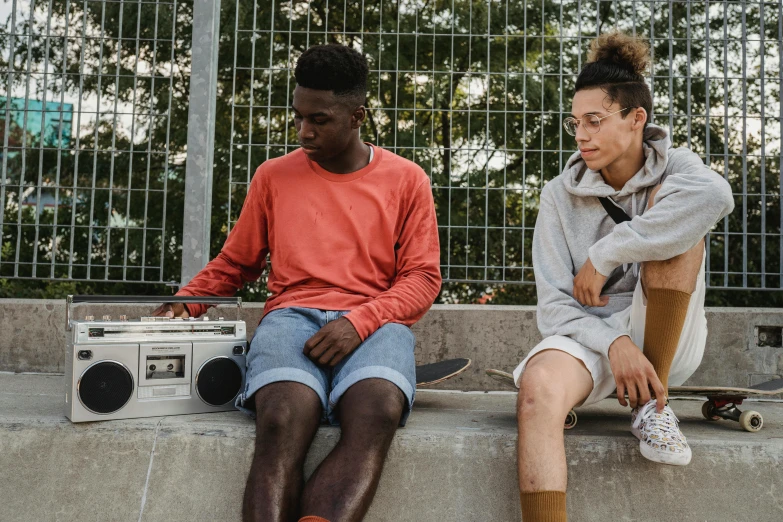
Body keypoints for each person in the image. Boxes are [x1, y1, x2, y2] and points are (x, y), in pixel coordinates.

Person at [155, 43, 441, 522]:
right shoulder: (273, 177)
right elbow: (236, 262)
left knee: (377, 413)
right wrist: (186, 303)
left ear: (357, 116)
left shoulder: (407, 180)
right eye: (298, 117)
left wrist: (360, 322)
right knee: (282, 418)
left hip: (375, 322)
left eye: (320, 119)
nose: (304, 131)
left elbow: (422, 277)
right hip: (291, 318)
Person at [513, 31, 734, 521]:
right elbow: (553, 306)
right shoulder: (558, 195)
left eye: (595, 121)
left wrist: (608, 252)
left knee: (677, 228)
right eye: (575, 123)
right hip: (593, 338)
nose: (582, 135)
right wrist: (614, 344)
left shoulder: (677, 168)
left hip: (666, 339)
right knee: (537, 390)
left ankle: (653, 409)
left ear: (637, 119)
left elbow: (717, 197)